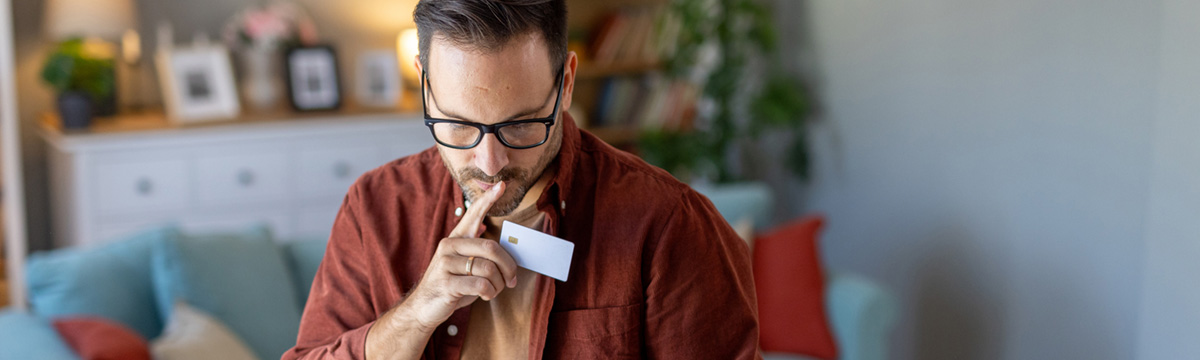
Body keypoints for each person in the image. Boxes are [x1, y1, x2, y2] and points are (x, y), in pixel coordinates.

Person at [282, 0, 760, 359]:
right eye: (460, 124)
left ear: (567, 84)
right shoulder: (374, 208)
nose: (489, 162)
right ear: (424, 86)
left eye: (520, 125)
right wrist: (416, 313)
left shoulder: (669, 224)